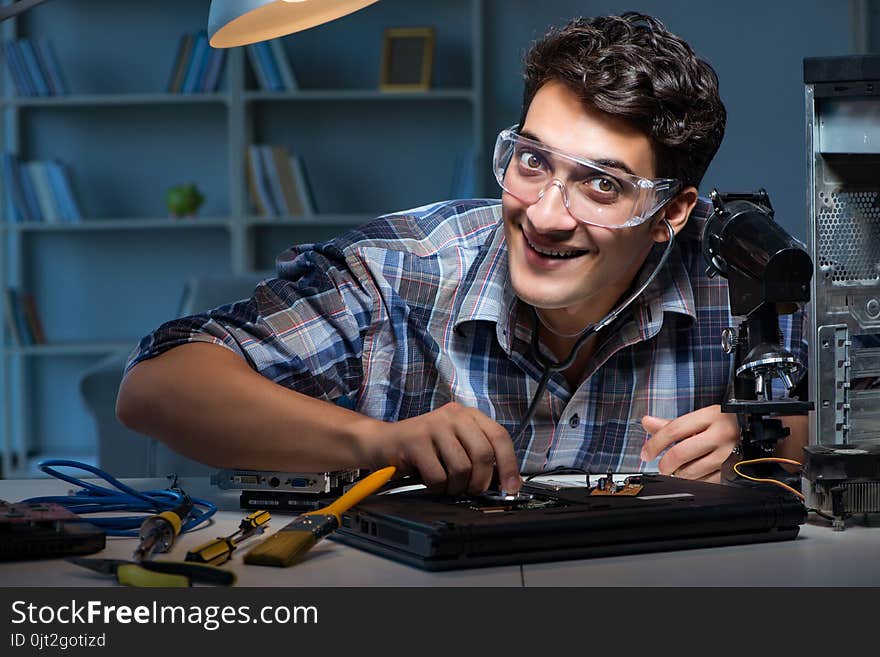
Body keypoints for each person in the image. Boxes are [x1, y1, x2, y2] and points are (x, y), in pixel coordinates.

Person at [117, 12, 807, 496]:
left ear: (673, 212)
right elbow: (154, 389)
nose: (543, 215)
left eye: (602, 183)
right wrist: (377, 443)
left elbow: (849, 416)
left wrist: (765, 447)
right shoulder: (402, 268)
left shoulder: (743, 272)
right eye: (533, 161)